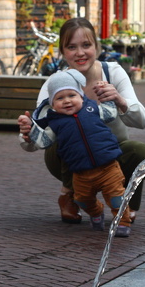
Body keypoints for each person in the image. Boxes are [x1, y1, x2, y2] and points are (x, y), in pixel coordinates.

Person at [18, 18, 145, 224]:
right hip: (68, 159)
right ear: (63, 52)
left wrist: (119, 100)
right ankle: (68, 196)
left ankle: (125, 201)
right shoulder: (55, 84)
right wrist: (27, 132)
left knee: (142, 153)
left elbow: (141, 121)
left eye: (86, 45)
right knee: (69, 133)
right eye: (71, 47)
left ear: (97, 46)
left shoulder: (112, 72)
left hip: (112, 152)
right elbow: (31, 141)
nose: (80, 53)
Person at [26, 69, 133, 237]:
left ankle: (123, 222)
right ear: (52, 104)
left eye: (72, 95)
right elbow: (43, 142)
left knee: (116, 197)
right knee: (82, 200)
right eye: (60, 98)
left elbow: (110, 113)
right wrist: (30, 128)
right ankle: (96, 212)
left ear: (81, 96)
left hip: (108, 167)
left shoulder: (92, 109)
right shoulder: (55, 122)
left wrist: (105, 94)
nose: (67, 101)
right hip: (80, 172)